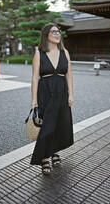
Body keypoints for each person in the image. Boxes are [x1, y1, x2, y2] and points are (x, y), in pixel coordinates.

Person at [30, 23, 74, 175]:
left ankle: (54, 151)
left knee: (60, 124)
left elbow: (68, 75)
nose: (57, 34)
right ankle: (43, 157)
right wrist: (33, 99)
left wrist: (71, 94)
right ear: (46, 35)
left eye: (58, 31)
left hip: (62, 92)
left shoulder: (65, 52)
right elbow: (35, 77)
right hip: (45, 92)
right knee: (47, 125)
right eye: (53, 31)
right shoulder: (39, 54)